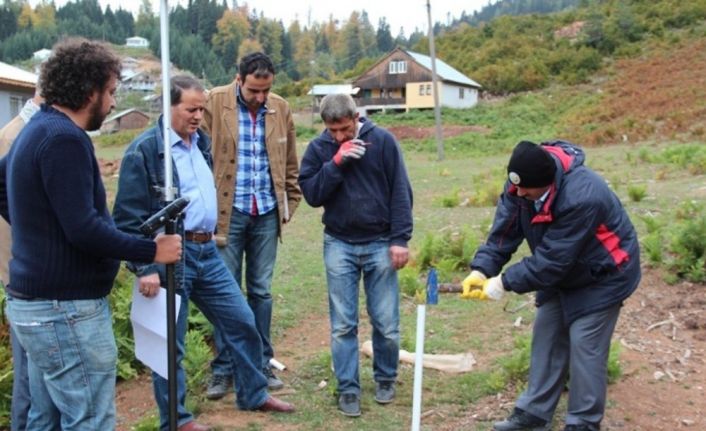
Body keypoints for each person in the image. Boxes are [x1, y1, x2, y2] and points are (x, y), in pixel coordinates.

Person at [0, 38, 183, 430]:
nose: (115, 103)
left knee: (43, 418)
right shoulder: (65, 139)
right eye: (112, 92)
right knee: (90, 419)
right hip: (67, 310)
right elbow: (85, 230)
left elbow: (3, 185)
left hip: (35, 306)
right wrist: (151, 249)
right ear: (89, 92)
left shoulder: (37, 129)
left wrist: (39, 231)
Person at [113, 75, 295, 431]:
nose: (198, 115)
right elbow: (127, 217)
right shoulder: (146, 150)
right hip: (170, 257)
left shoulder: (201, 143)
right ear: (170, 106)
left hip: (207, 251)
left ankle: (253, 392)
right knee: (170, 345)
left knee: (242, 321)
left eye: (202, 109)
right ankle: (176, 420)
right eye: (191, 109)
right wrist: (145, 266)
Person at [461, 140, 641, 431]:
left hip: (604, 274)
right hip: (562, 271)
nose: (518, 193)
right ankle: (533, 414)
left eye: (525, 189)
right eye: (514, 186)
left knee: (585, 345)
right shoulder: (519, 186)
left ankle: (582, 422)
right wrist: (482, 270)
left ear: (547, 185)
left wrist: (505, 282)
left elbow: (553, 260)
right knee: (547, 334)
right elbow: (504, 232)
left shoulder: (583, 195)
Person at [298, 93, 413, 417]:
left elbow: (400, 191)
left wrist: (400, 239)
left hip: (380, 241)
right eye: (332, 131)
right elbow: (312, 194)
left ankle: (386, 377)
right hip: (339, 244)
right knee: (343, 325)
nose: (339, 137)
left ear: (357, 117)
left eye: (345, 130)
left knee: (386, 322)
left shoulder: (383, 142)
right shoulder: (320, 149)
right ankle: (348, 388)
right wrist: (336, 162)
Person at [201, 51, 302, 396]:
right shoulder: (214, 103)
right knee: (225, 293)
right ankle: (225, 368)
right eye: (253, 91)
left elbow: (290, 162)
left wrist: (290, 202)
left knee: (260, 291)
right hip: (226, 213)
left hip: (266, 213)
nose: (260, 98)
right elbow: (196, 154)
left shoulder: (281, 107)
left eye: (266, 90)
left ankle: (261, 363)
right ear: (238, 79)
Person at [0, 91, 42, 431]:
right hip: (23, 267)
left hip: (27, 263)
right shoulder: (16, 136)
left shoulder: (28, 130)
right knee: (29, 366)